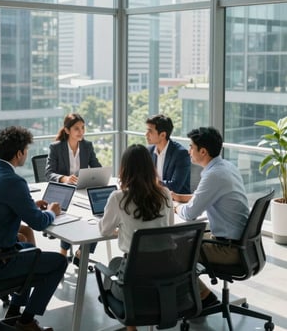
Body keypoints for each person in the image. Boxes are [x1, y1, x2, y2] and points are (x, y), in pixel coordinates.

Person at [0, 126, 67, 331]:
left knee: (27, 250)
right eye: (26, 150)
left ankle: (14, 313)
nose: (26, 153)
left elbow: (0, 203)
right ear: (19, 153)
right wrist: (52, 211)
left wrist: (30, 204)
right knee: (58, 262)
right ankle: (26, 321)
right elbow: (39, 223)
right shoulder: (14, 181)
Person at [99, 144, 174, 331]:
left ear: (124, 170)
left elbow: (104, 230)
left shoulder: (118, 198)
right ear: (151, 168)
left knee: (112, 269)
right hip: (164, 277)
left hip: (134, 280)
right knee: (118, 263)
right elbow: (168, 228)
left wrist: (121, 230)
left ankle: (131, 327)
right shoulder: (165, 194)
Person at [173, 126, 249, 308]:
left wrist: (175, 207)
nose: (188, 151)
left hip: (228, 249)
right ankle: (191, 292)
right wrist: (178, 197)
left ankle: (204, 296)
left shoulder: (214, 175)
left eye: (191, 147)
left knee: (174, 249)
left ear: (203, 151)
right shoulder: (225, 167)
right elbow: (204, 196)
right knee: (183, 238)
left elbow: (190, 214)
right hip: (240, 243)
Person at [45, 113, 101, 259]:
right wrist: (64, 178)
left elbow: (97, 167)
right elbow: (49, 173)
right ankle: (63, 253)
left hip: (81, 191)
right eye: (77, 128)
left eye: (83, 128)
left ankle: (81, 253)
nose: (81, 132)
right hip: (63, 192)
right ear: (67, 130)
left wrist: (95, 175)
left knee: (99, 218)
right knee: (71, 216)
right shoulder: (56, 147)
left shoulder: (87, 146)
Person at [145, 114, 191, 194]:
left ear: (163, 135)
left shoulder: (181, 154)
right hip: (154, 197)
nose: (146, 134)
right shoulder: (149, 151)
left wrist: (150, 183)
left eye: (150, 131)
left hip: (176, 201)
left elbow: (175, 186)